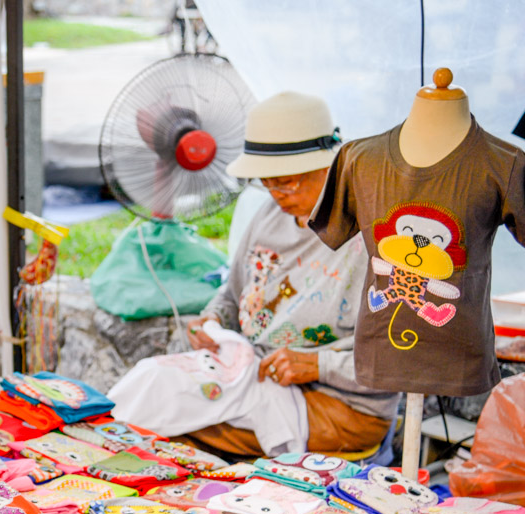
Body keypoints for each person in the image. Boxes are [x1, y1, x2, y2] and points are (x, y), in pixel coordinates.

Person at [109, 92, 399, 457]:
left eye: (289, 181)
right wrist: (213, 319)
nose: (277, 194)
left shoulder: (375, 238)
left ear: (332, 166)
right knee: (152, 383)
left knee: (172, 427)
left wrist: (317, 364)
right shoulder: (268, 215)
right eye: (267, 181)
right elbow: (232, 292)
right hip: (259, 375)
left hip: (341, 405)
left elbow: (401, 357)